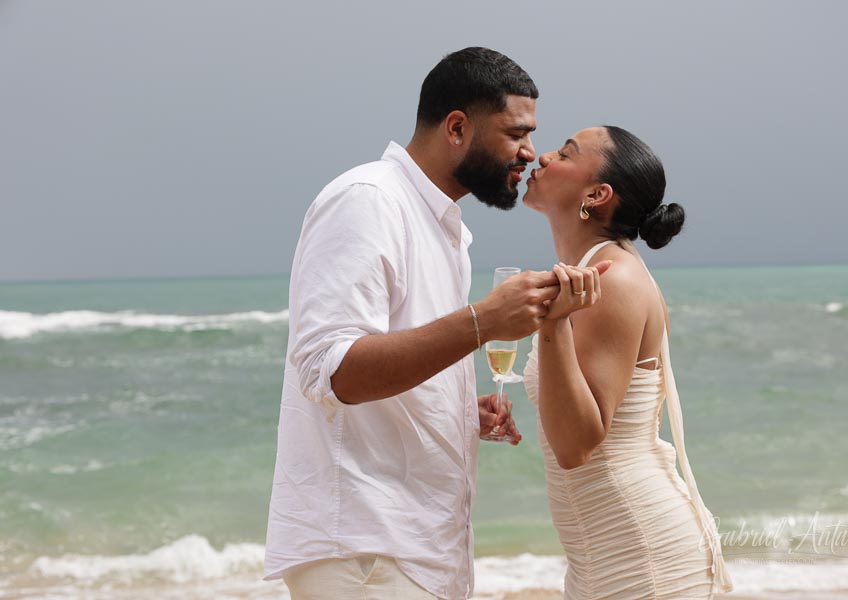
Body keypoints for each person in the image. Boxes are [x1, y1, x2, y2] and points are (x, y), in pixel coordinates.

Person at [264, 47, 563, 600]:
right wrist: (484, 320)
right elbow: (334, 370)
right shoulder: (368, 201)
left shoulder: (442, 225)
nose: (530, 152)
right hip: (365, 549)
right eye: (516, 133)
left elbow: (389, 356)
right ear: (457, 128)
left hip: (414, 549)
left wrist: (452, 409)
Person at [521, 125, 734, 598]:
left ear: (596, 194)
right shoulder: (595, 271)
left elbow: (576, 446)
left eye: (565, 153)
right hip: (605, 552)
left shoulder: (611, 280)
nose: (543, 156)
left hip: (642, 554)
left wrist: (552, 324)